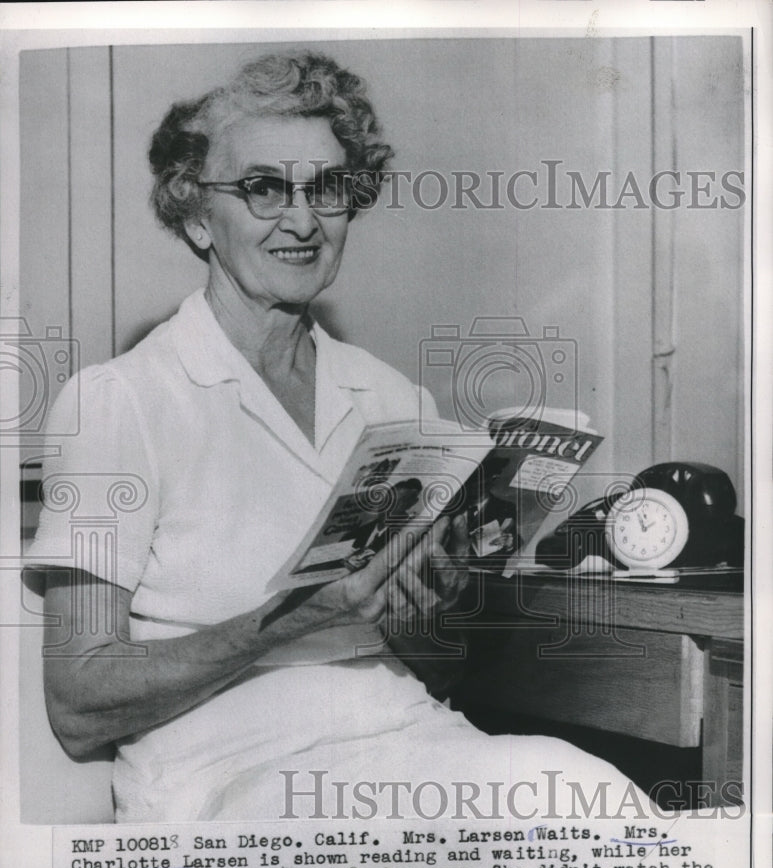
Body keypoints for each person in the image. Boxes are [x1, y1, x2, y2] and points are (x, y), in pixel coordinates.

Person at [28, 51, 644, 823]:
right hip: (228, 779)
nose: (301, 218)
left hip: (409, 740)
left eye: (326, 188)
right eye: (262, 187)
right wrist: (292, 619)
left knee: (583, 788)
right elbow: (78, 700)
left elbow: (441, 673)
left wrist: (430, 605)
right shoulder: (117, 402)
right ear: (193, 215)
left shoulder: (391, 397)